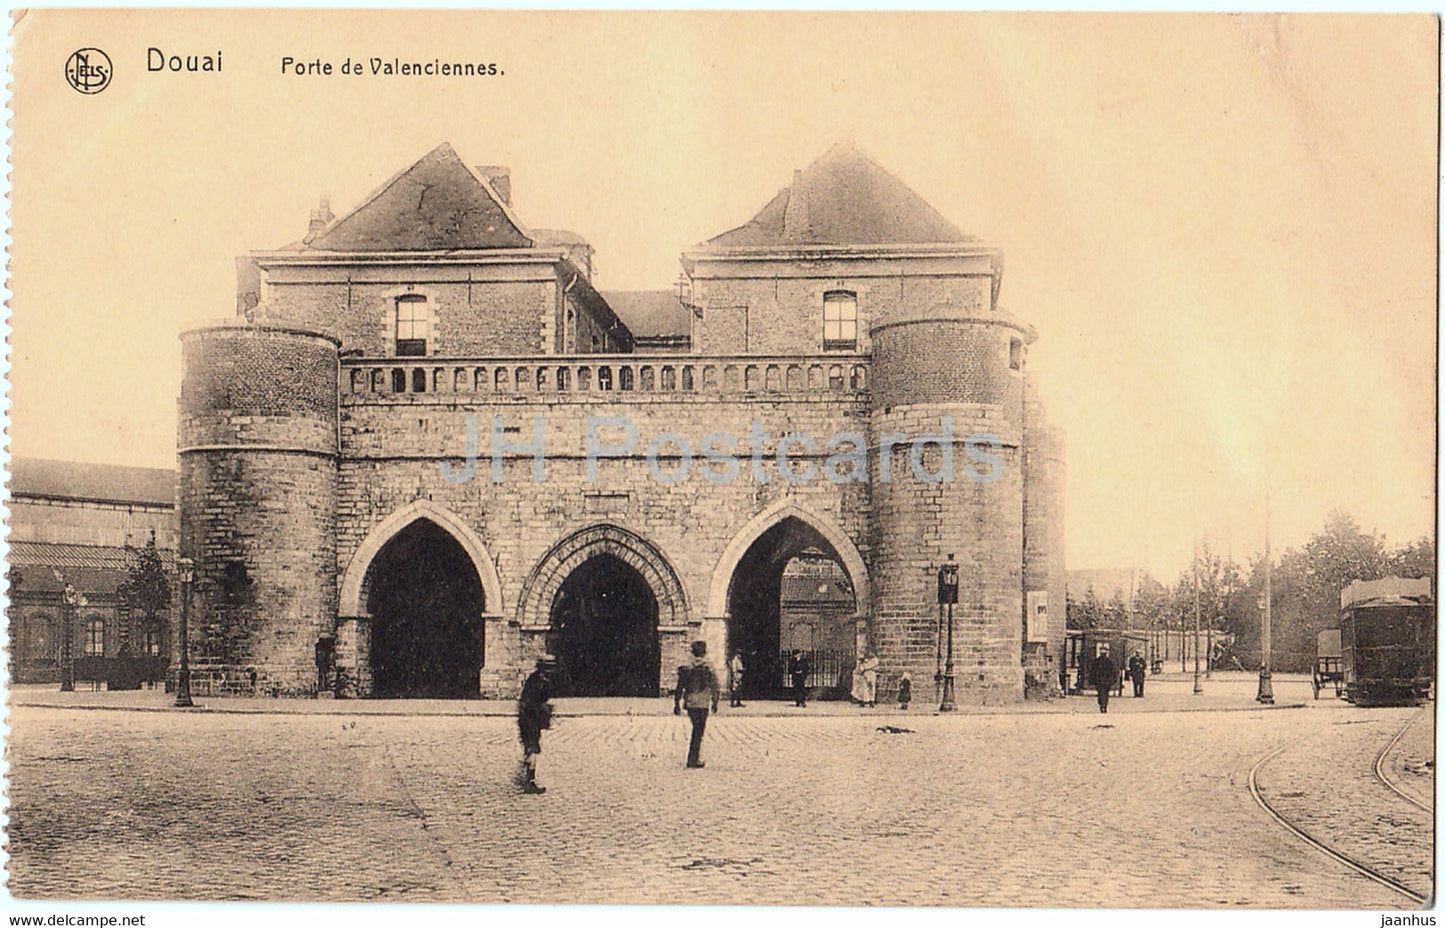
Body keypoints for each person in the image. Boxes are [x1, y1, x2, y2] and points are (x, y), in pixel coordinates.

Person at [674, 640, 719, 768]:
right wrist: (715, 702)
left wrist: (676, 703)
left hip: (690, 702)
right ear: (704, 652)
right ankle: (692, 759)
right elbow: (715, 686)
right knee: (699, 730)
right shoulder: (708, 667)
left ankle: (693, 758)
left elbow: (679, 687)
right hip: (703, 702)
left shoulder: (686, 667)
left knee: (696, 728)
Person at [517, 657, 555, 794]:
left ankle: (524, 777)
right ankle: (530, 781)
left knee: (529, 748)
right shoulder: (540, 682)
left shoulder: (534, 679)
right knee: (533, 749)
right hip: (530, 719)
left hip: (526, 718)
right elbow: (536, 702)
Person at [1089, 645, 1116, 714]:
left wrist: (1092, 680)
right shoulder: (1108, 662)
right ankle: (1103, 705)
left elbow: (1093, 672)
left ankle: (1102, 705)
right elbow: (1113, 672)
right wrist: (1112, 680)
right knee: (1105, 694)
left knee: (1101, 693)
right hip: (1104, 681)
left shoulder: (1098, 661)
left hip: (1101, 680)